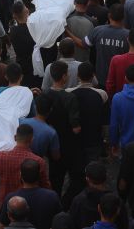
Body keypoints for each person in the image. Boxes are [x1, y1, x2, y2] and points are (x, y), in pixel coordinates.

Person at [43, 60, 84, 207]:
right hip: (69, 145)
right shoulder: (70, 98)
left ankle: (55, 205)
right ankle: (66, 204)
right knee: (77, 179)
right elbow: (76, 128)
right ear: (64, 76)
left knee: (55, 179)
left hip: (52, 147)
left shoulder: (45, 95)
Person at [0, 160, 62, 229]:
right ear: (39, 175)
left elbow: (2, 225)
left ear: (20, 176)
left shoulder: (11, 199)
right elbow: (59, 220)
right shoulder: (52, 196)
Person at [84, 3, 130, 88]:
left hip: (101, 79)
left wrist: (68, 32)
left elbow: (85, 44)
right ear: (124, 17)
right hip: (120, 80)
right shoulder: (128, 35)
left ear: (109, 15)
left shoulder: (98, 30)